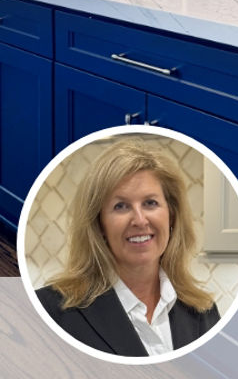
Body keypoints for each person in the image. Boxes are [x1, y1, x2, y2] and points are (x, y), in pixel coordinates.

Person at [36, 138, 220, 357]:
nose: (140, 220)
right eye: (121, 206)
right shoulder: (48, 311)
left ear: (171, 215)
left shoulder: (203, 312)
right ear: (99, 224)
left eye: (150, 203)